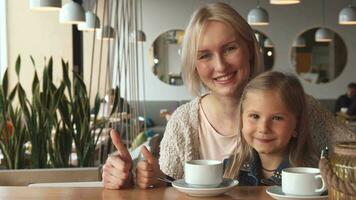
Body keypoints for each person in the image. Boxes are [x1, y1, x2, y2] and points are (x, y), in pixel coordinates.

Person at [102, 2, 356, 190]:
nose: (221, 66)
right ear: (194, 64)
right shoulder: (184, 121)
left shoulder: (301, 106)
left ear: (249, 48)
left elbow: (350, 149)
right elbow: (165, 185)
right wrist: (139, 179)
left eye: (230, 48)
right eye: (205, 55)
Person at [224, 71, 318, 186]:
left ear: (297, 125)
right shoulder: (229, 168)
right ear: (242, 121)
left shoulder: (316, 175)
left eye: (277, 118)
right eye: (255, 116)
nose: (263, 128)